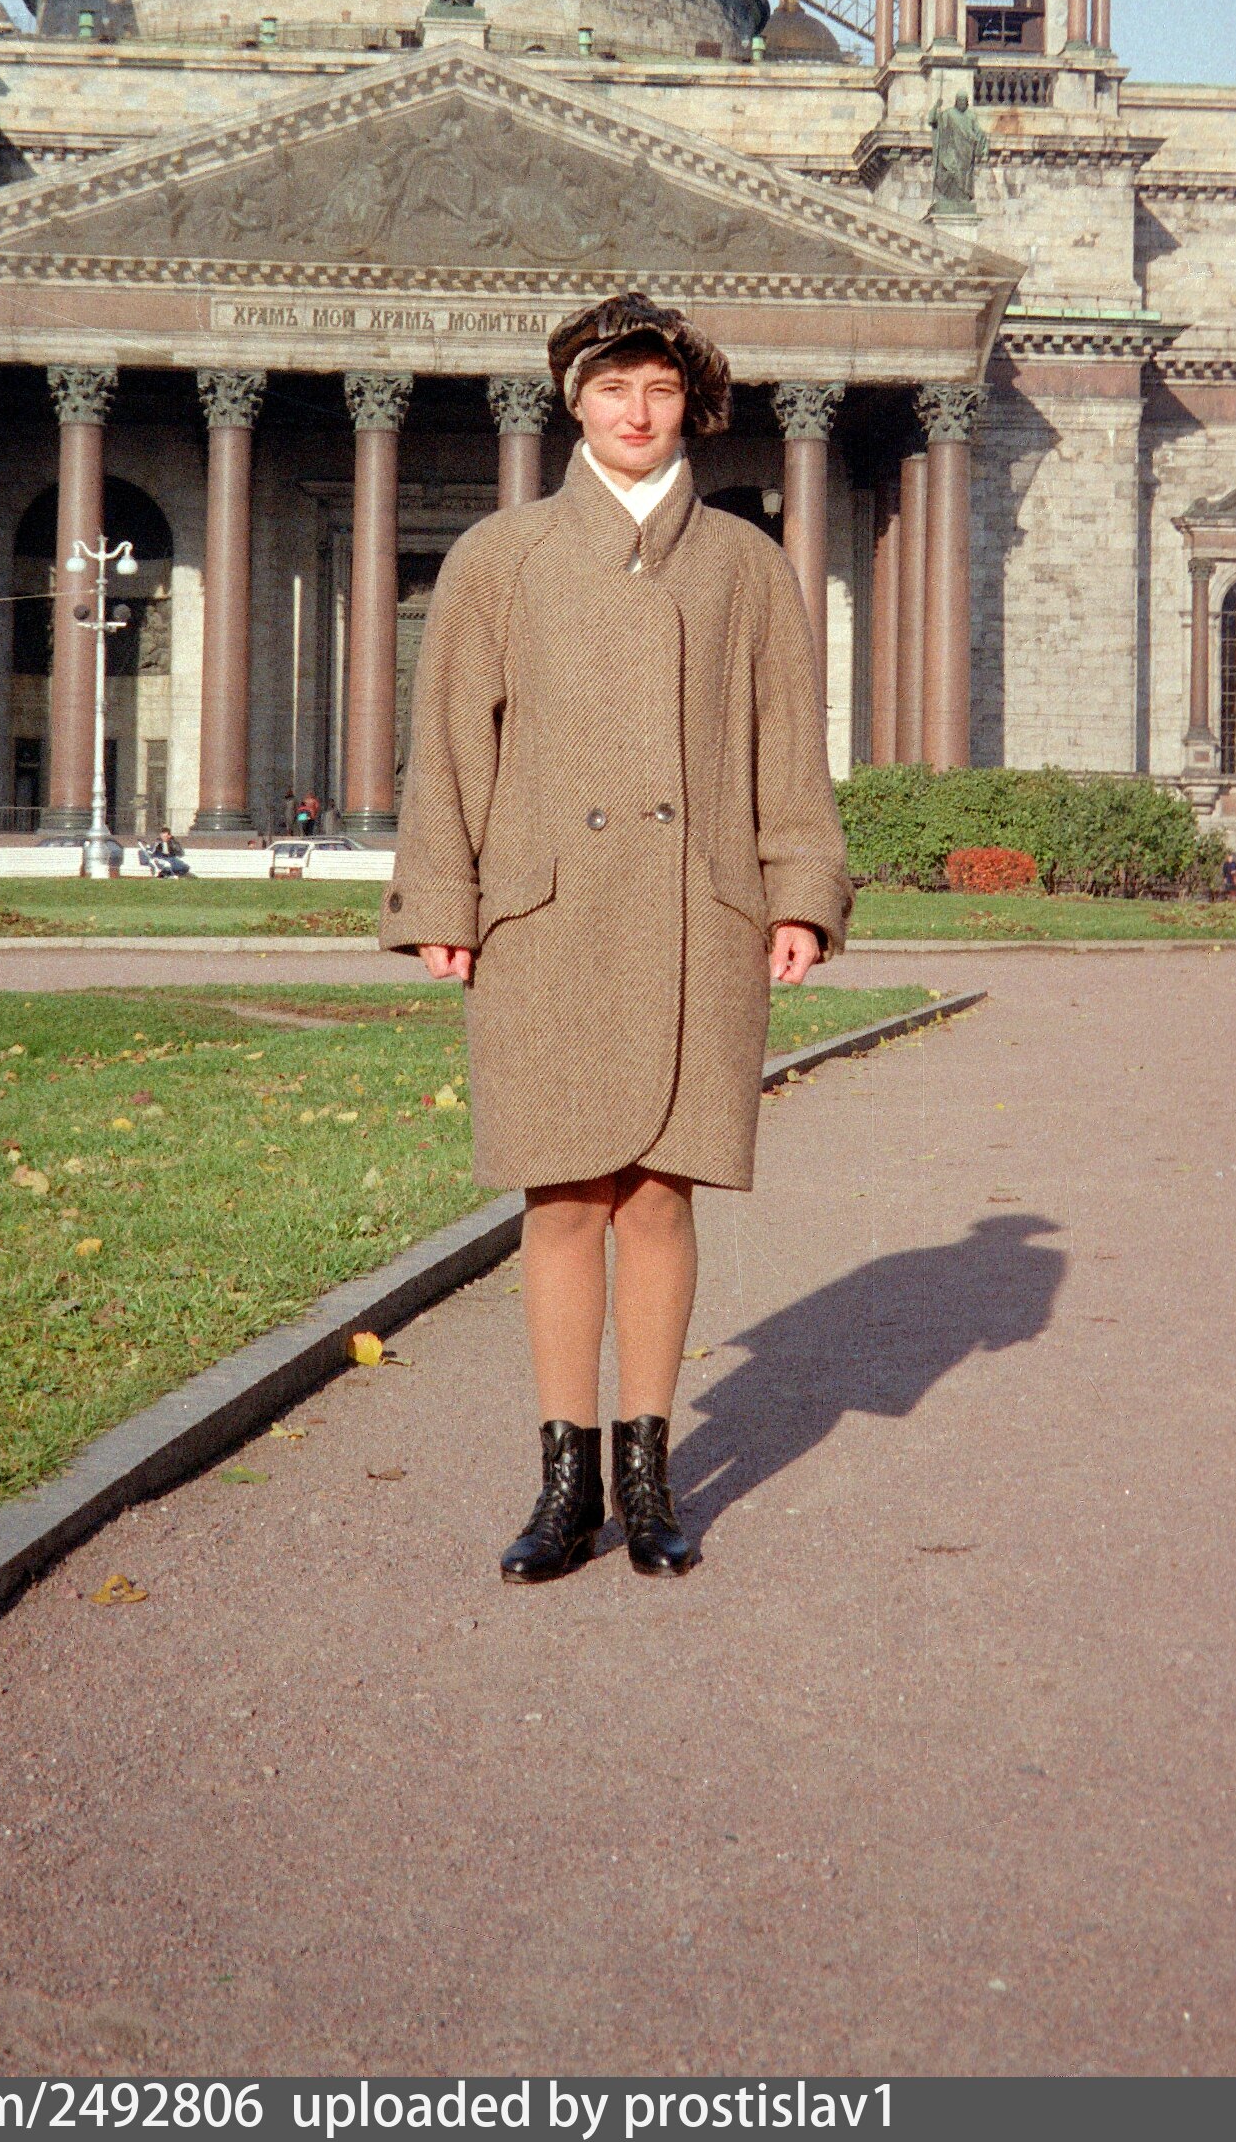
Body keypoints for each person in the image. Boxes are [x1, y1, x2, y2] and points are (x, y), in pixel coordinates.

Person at [381, 290, 852, 1583]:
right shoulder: (502, 555)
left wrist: (802, 889)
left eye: (658, 389)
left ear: (689, 404)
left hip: (699, 912)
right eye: (611, 388)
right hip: (547, 916)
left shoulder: (746, 565)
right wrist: (442, 902)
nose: (635, 412)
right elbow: (451, 744)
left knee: (658, 1194)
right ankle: (563, 1482)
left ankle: (649, 1480)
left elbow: (787, 745)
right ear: (572, 401)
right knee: (562, 1197)